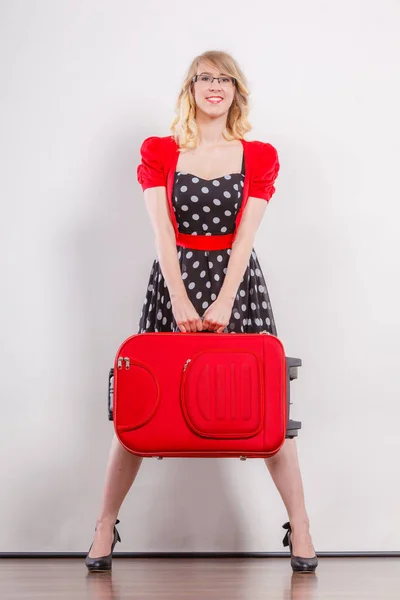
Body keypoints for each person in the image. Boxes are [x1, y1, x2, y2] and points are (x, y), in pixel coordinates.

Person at [86, 50, 318, 573]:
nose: (216, 86)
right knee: (142, 405)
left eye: (225, 79)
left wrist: (227, 297)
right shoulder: (159, 151)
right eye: (205, 78)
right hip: (174, 282)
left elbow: (245, 237)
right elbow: (163, 234)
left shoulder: (258, 155)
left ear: (237, 90)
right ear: (190, 88)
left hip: (237, 283)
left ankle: (300, 526)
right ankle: (104, 524)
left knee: (267, 409)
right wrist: (181, 299)